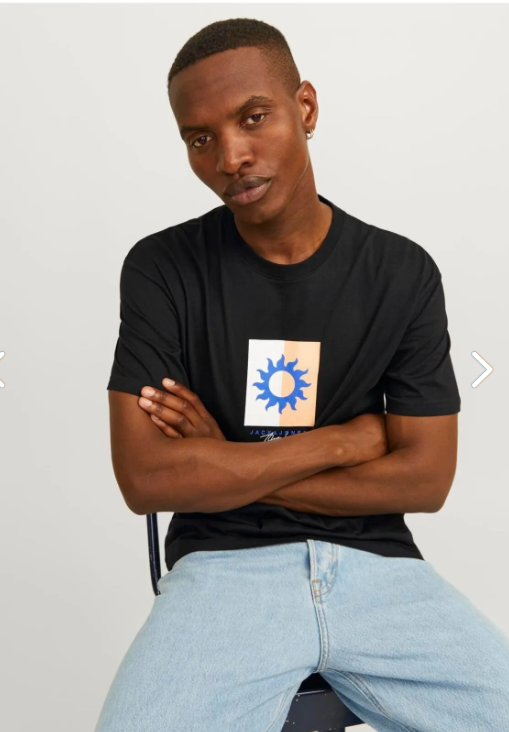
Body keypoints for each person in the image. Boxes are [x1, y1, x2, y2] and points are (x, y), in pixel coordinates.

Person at [96, 17, 509, 732]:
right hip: (224, 568)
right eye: (199, 139)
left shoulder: (401, 272)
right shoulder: (162, 269)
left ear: (306, 108)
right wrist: (340, 442)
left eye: (252, 118)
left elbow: (424, 481)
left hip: (379, 568)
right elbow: (146, 479)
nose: (230, 156)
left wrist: (223, 460)